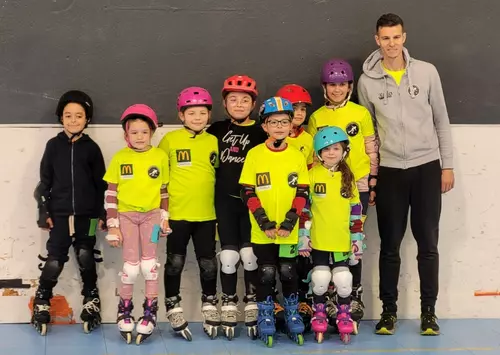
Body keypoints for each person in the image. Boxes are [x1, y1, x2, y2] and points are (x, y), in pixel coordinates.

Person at [357, 13, 455, 336]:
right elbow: (367, 136)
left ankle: (429, 313)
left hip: (427, 169)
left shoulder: (426, 73)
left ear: (404, 37)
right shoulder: (366, 82)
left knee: (428, 244)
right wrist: (371, 178)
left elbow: (441, 120)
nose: (391, 44)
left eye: (396, 37)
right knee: (390, 246)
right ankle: (388, 313)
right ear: (377, 40)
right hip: (389, 174)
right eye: (385, 38)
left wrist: (447, 165)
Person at [306, 58, 378, 332]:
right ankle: (325, 299)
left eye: (342, 84)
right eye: (332, 84)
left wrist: (373, 179)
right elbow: (314, 156)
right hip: (326, 186)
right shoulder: (317, 117)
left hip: (356, 183)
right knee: (324, 238)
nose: (337, 89)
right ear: (325, 87)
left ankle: (351, 295)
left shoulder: (360, 113)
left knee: (351, 241)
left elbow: (371, 146)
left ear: (350, 86)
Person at [31, 90, 106, 336]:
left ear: (87, 119)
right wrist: (44, 210)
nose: (73, 120)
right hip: (60, 214)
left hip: (88, 216)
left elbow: (100, 185)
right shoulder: (53, 146)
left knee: (86, 255)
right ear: (60, 118)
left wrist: (103, 213)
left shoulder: (92, 149)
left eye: (79, 116)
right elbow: (44, 183)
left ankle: (91, 297)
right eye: (68, 115)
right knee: (55, 259)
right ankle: (43, 298)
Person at [239, 96, 310, 347]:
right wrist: (265, 223)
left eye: (284, 121)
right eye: (273, 122)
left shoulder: (297, 156)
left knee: (289, 271)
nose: (279, 126)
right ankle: (266, 314)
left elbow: (302, 192)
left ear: (291, 125)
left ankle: (291, 313)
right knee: (266, 273)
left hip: (289, 230)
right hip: (263, 230)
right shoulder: (255, 155)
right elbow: (248, 192)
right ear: (264, 126)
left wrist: (291, 221)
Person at [206, 75, 267, 339]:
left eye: (245, 100)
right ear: (224, 103)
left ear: (253, 104)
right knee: (229, 257)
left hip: (253, 202)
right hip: (224, 201)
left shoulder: (261, 132)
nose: (239, 104)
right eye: (233, 100)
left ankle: (252, 301)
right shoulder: (215, 131)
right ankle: (229, 301)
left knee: (251, 256)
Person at [103, 104, 170, 344]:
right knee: (131, 268)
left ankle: (150, 311)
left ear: (152, 132)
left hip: (152, 217)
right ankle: (125, 309)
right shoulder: (121, 158)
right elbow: (111, 193)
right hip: (127, 217)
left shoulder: (160, 157)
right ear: (126, 134)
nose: (139, 137)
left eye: (144, 131)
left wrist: (164, 218)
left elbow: (164, 191)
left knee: (150, 265)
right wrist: (113, 224)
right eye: (134, 132)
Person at [158, 87, 220, 340]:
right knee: (175, 262)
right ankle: (172, 304)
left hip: (207, 215)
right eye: (191, 112)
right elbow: (159, 176)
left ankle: (209, 302)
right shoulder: (170, 140)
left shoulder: (213, 140)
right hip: (177, 215)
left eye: (202, 113)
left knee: (208, 263)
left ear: (209, 115)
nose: (197, 117)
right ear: (181, 115)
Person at [302, 126, 364, 345]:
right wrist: (303, 236)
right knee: (319, 279)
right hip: (319, 239)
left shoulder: (348, 177)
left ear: (344, 150)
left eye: (336, 148)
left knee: (344, 280)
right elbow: (305, 209)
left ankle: (343, 313)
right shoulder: (311, 174)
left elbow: (355, 209)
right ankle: (319, 311)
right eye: (326, 149)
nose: (331, 153)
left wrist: (357, 239)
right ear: (318, 153)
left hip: (341, 240)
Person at [275, 84, 315, 331]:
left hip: (302, 204)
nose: (299, 113)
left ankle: (301, 299)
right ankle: (274, 301)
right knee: (274, 255)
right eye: (294, 108)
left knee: (302, 251)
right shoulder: (272, 136)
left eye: (302, 108)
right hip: (276, 203)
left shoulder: (308, 139)